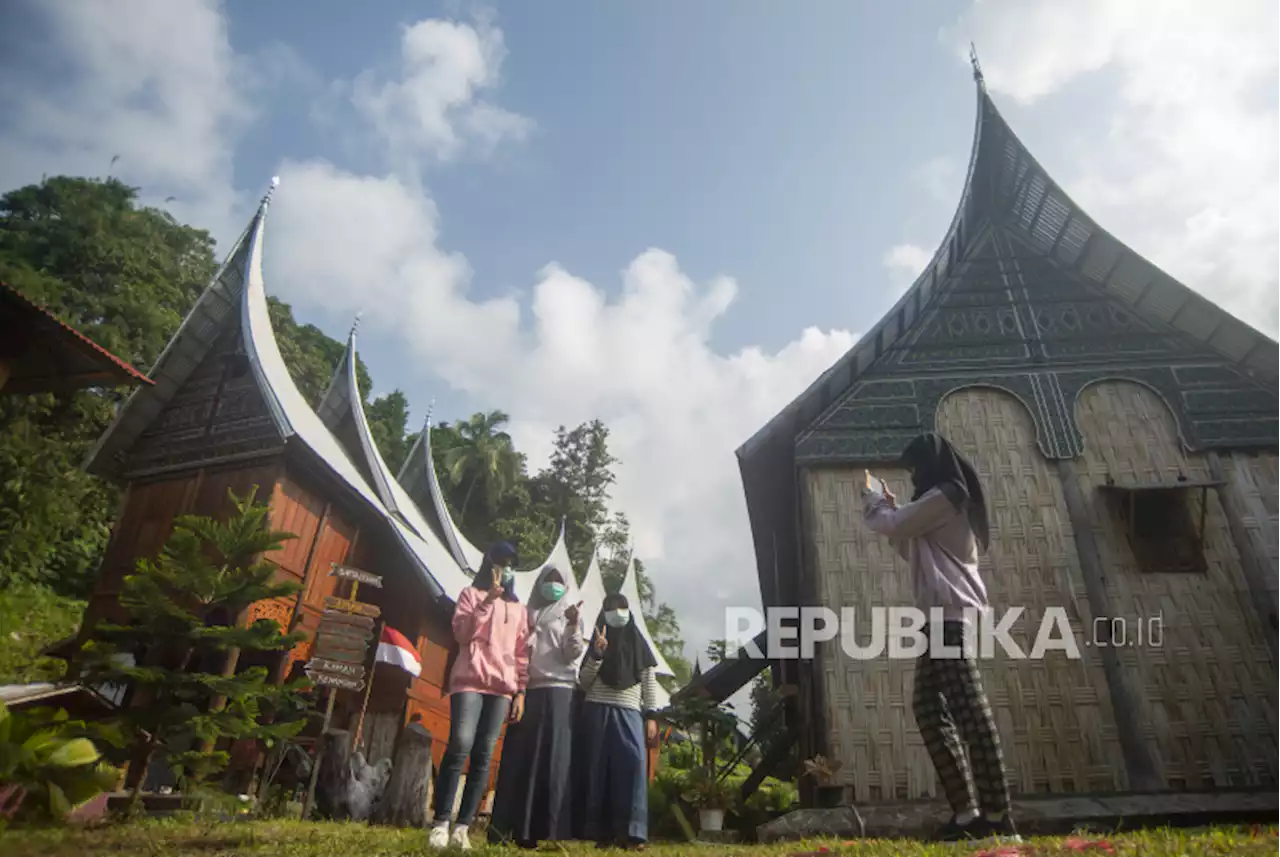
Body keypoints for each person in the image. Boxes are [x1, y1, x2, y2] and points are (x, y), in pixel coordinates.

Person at [859, 432, 1019, 843]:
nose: (913, 476)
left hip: (950, 615)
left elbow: (888, 524)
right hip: (935, 618)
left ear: (930, 463)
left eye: (914, 468)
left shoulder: (950, 494)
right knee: (929, 709)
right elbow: (907, 545)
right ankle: (967, 814)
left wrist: (874, 500)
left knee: (967, 707)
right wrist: (895, 511)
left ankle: (999, 817)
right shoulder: (932, 504)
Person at [429, 542, 530, 851]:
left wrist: (521, 691)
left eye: (512, 563)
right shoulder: (470, 595)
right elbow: (461, 634)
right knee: (460, 743)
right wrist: (487, 601)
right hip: (469, 681)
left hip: (502, 688)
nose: (507, 568)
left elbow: (522, 652)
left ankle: (463, 826)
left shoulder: (519, 609)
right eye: (501, 562)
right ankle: (441, 821)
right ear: (489, 565)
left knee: (484, 755)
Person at [489, 565, 586, 847]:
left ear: (565, 585)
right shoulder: (527, 612)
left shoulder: (571, 612)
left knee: (553, 763)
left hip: (560, 691)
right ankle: (510, 829)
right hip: (528, 690)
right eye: (548, 580)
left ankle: (550, 832)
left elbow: (572, 655)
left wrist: (572, 626)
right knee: (520, 761)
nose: (552, 585)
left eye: (558, 581)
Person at [577, 593, 660, 849]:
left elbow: (648, 681)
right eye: (611, 609)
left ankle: (633, 833)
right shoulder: (597, 642)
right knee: (597, 771)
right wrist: (598, 655)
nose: (617, 613)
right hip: (596, 710)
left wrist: (652, 716)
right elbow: (583, 682)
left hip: (629, 712)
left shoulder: (638, 643)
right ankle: (602, 833)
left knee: (633, 767)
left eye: (621, 608)